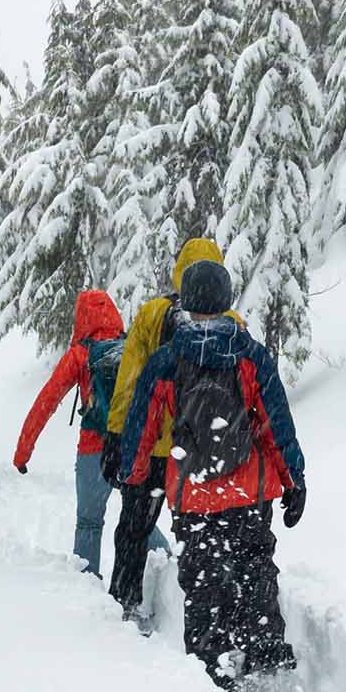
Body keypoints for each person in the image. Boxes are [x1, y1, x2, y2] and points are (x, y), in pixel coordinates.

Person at [119, 258, 305, 689]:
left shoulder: (167, 360)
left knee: (203, 580)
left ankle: (212, 666)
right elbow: (278, 424)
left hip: (193, 492)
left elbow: (141, 426)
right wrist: (293, 479)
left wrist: (134, 472)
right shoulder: (251, 356)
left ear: (184, 301)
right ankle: (265, 653)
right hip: (249, 490)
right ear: (226, 300)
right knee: (254, 567)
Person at [102, 236, 234, 624]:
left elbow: (130, 380)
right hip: (205, 454)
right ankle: (210, 618)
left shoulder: (153, 313)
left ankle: (123, 602)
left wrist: (116, 436)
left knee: (133, 529)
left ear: (180, 271)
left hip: (154, 449)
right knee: (207, 534)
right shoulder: (232, 323)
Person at [12, 288, 162, 580]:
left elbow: (46, 402)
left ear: (81, 318)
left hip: (94, 450)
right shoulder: (131, 346)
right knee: (141, 518)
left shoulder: (80, 355)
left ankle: (88, 594)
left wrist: (22, 453)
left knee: (90, 523)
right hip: (131, 447)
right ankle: (166, 572)